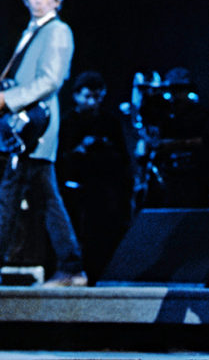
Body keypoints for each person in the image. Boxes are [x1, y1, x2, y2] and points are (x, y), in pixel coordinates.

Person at [0, 0, 87, 286]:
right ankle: (72, 265)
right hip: (23, 129)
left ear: (57, 0)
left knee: (10, 197)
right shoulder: (34, 31)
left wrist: (8, 100)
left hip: (35, 129)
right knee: (44, 198)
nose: (37, 0)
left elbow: (50, 80)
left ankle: (72, 266)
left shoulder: (57, 31)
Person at [57, 71, 132, 282]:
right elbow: (60, 158)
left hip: (106, 191)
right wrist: (80, 149)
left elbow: (123, 158)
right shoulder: (68, 122)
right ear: (76, 96)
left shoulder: (109, 122)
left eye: (97, 97)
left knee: (105, 236)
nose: (92, 103)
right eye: (88, 97)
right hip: (76, 191)